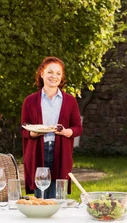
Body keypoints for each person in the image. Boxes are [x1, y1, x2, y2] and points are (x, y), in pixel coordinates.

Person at [21, 56, 83, 198]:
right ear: (42, 73)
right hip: (38, 152)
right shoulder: (30, 101)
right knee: (40, 199)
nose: (54, 76)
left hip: (60, 152)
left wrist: (65, 132)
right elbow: (24, 130)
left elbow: (78, 128)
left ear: (61, 78)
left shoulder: (70, 101)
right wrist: (35, 133)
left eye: (58, 73)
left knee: (58, 199)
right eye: (50, 72)